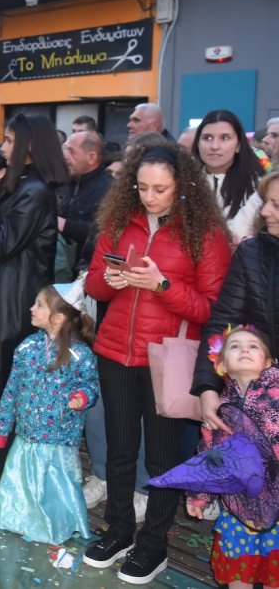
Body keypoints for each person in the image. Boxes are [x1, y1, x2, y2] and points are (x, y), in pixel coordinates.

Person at [83, 140, 231, 584]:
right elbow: (93, 285)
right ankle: (119, 531)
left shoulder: (205, 234)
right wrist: (111, 280)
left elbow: (213, 309)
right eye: (143, 187)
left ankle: (154, 545)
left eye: (160, 189)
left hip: (168, 359)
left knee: (163, 460)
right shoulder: (118, 222)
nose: (149, 197)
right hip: (115, 351)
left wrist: (162, 285)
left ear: (182, 186)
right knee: (119, 450)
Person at [0, 113, 69, 506]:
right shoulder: (23, 185)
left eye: (9, 141)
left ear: (29, 145)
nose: (2, 147)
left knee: (4, 392)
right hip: (0, 296)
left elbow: (0, 243)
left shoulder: (35, 190)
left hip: (16, 304)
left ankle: (4, 479)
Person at [0, 281, 98, 544]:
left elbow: (91, 384)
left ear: (59, 317)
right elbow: (11, 389)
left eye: (39, 305)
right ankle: (18, 519)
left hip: (59, 439)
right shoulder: (27, 347)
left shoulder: (80, 355)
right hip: (26, 435)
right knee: (21, 481)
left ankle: (55, 525)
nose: (32, 308)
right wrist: (2, 428)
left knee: (54, 488)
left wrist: (83, 397)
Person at [185, 326, 279, 589]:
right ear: (222, 365)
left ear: (268, 362)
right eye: (235, 346)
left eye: (253, 346)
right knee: (239, 573)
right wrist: (199, 496)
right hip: (238, 510)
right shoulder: (220, 410)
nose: (244, 349)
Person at [192, 170, 279, 429]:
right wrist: (208, 387)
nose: (265, 211)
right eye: (266, 202)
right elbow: (223, 323)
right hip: (259, 404)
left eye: (276, 205)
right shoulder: (251, 253)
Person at [193, 109, 265, 243]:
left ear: (238, 145)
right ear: (198, 143)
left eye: (224, 138)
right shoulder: (182, 183)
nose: (214, 146)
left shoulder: (258, 188)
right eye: (207, 138)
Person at [56, 130, 114, 281]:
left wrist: (65, 225)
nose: (65, 155)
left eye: (71, 151)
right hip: (59, 271)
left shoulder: (109, 189)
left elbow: (104, 233)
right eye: (64, 148)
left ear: (91, 157)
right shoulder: (64, 182)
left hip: (87, 274)